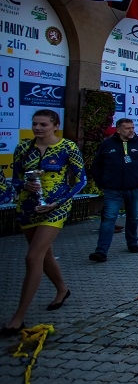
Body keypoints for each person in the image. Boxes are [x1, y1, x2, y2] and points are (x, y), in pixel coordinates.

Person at [2, 110, 86, 336]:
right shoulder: (23, 147)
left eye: (43, 124)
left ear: (55, 126)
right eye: (35, 124)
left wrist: (60, 201)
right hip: (28, 208)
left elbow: (81, 180)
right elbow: (16, 178)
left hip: (55, 208)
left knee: (32, 257)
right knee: (43, 254)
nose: (38, 128)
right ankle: (62, 288)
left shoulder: (68, 147)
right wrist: (23, 186)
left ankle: (18, 317)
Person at [89, 118, 138, 262]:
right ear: (119, 130)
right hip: (112, 189)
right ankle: (101, 251)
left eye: (132, 127)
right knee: (109, 219)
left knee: (133, 217)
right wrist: (101, 183)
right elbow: (96, 165)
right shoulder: (107, 144)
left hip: (134, 188)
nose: (131, 130)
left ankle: (132, 243)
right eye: (127, 128)